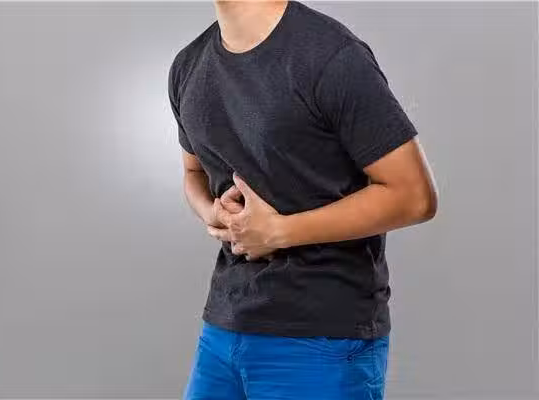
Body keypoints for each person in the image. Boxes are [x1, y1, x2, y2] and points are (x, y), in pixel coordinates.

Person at [167, 1, 438, 398]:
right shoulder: (188, 65)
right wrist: (213, 212)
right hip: (225, 327)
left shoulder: (331, 55)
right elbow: (193, 173)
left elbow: (414, 196)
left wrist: (279, 232)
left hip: (323, 335)